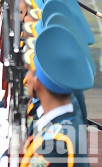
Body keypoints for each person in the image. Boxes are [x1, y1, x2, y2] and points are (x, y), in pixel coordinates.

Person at [21, 24, 94, 166]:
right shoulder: (66, 118)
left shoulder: (55, 145)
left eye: (30, 72)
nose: (27, 77)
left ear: (37, 83)